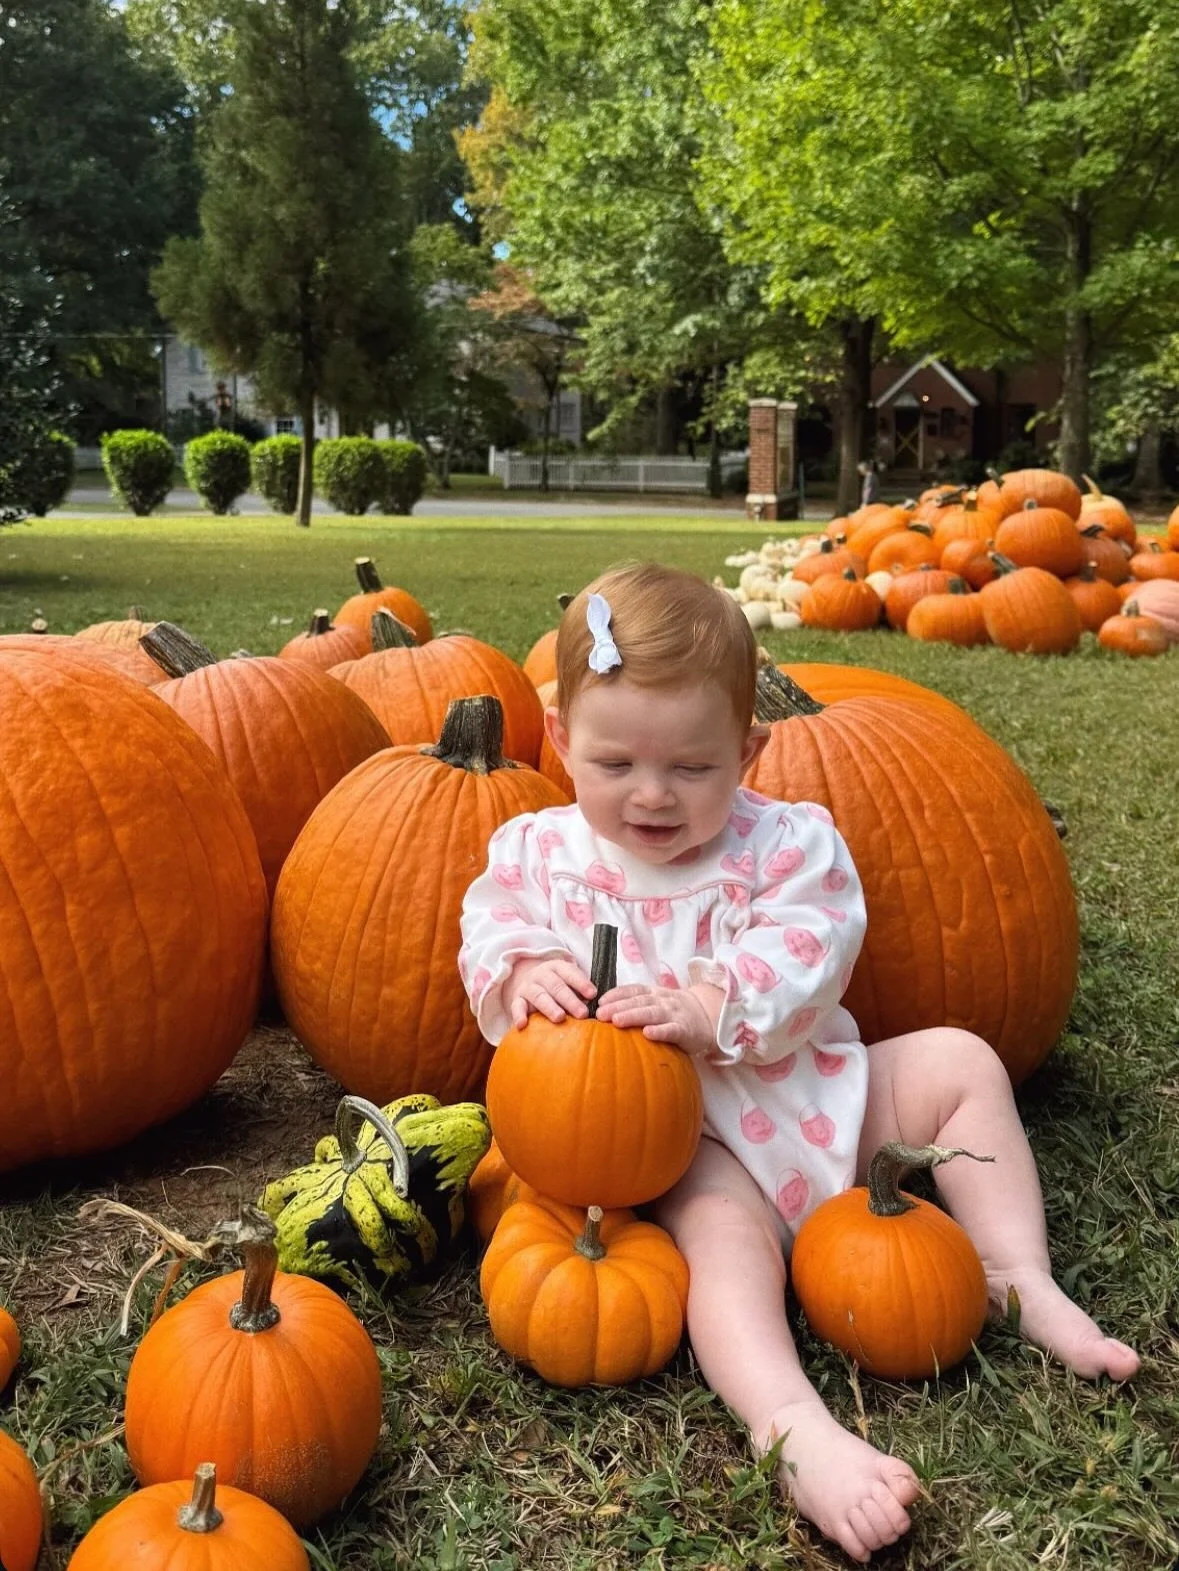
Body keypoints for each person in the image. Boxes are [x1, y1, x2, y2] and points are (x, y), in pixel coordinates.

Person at [458, 562, 1139, 1564]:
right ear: (559, 738)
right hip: (691, 1140)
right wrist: (524, 969)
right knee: (725, 1254)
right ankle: (794, 1426)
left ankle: (1014, 1270)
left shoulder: (786, 841)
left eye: (693, 768)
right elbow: (487, 926)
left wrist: (709, 1000)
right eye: (615, 765)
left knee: (962, 1060)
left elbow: (815, 942)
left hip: (823, 1092)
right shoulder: (536, 854)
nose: (651, 794)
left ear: (749, 747)